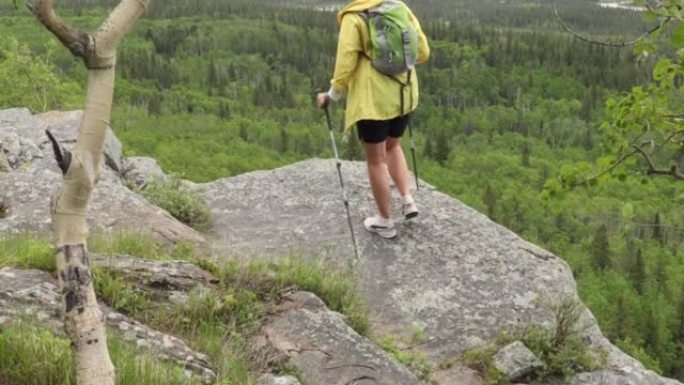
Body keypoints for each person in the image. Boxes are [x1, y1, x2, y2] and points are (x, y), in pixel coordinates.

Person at [316, 0, 430, 239]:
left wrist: (332, 95)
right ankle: (408, 200)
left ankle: (385, 222)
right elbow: (423, 51)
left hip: (373, 99)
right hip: (404, 93)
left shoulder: (354, 16)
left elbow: (345, 61)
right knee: (394, 145)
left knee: (376, 160)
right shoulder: (398, 6)